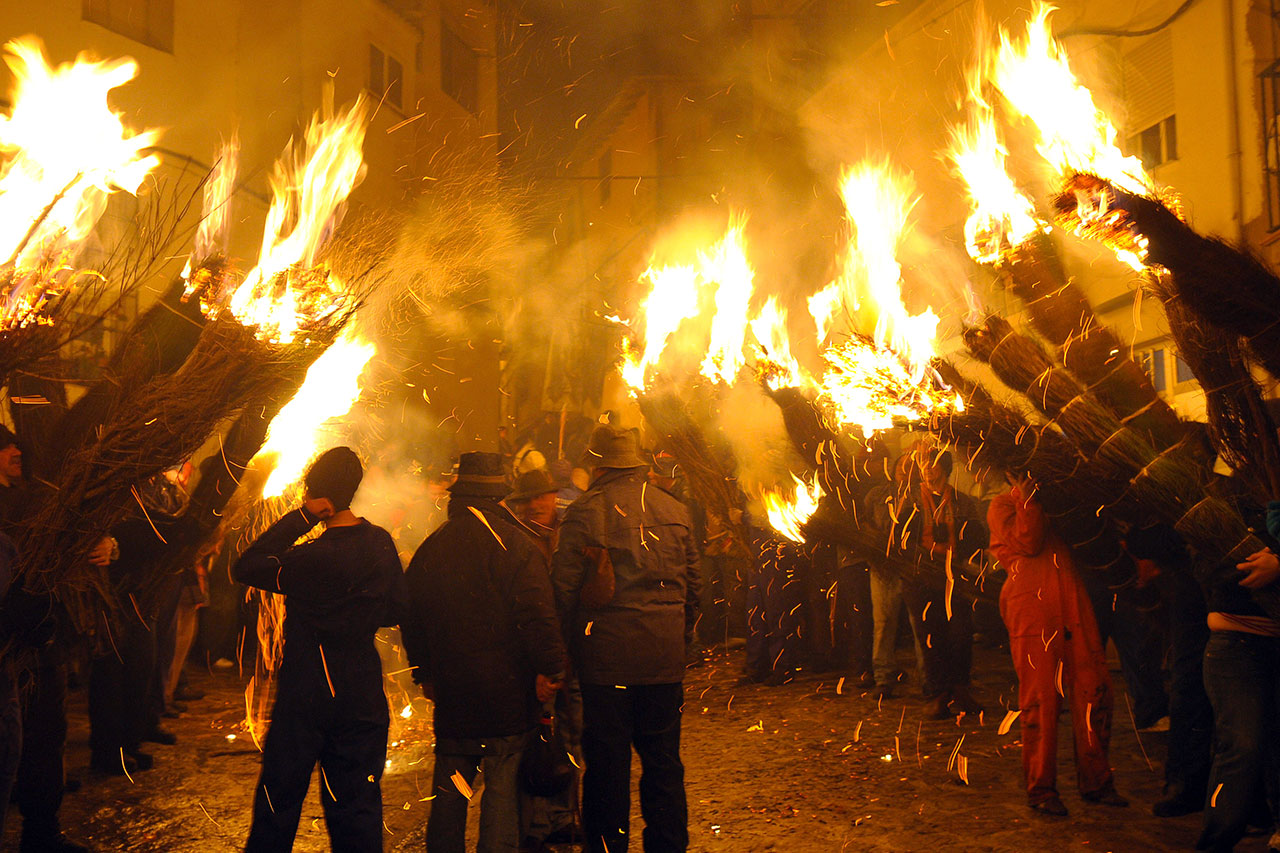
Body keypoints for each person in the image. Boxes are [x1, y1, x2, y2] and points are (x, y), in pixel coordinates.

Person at [233, 447, 406, 852]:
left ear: (314, 494)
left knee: (279, 801)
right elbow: (397, 609)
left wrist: (303, 517)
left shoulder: (309, 559)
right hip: (360, 692)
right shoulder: (380, 544)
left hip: (306, 695)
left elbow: (246, 565)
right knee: (357, 806)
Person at [400, 451, 566, 853]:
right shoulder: (515, 547)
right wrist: (551, 668)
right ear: (499, 497)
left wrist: (424, 674)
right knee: (502, 789)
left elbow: (412, 616)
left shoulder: (431, 548)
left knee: (452, 788)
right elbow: (538, 613)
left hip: (455, 695)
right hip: (507, 694)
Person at [551, 424, 700, 853]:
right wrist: (678, 637)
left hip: (606, 665)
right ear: (638, 464)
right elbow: (696, 586)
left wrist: (561, 650)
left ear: (597, 464)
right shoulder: (674, 508)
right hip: (663, 660)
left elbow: (562, 590)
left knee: (607, 768)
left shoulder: (586, 512)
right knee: (664, 764)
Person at [988, 470, 1125, 816]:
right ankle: (1041, 789)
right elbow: (1029, 540)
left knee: (1093, 688)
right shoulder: (1003, 504)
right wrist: (1028, 497)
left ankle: (1096, 780)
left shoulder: (1056, 501)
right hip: (1032, 607)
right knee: (1041, 700)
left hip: (1072, 601)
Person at [901, 448, 986, 717]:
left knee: (960, 635)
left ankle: (960, 689)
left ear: (945, 469)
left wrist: (970, 566)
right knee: (931, 637)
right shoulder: (909, 501)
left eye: (933, 464)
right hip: (921, 579)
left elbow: (976, 540)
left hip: (954, 577)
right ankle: (938, 694)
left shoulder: (962, 502)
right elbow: (896, 539)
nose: (927, 469)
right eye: (924, 464)